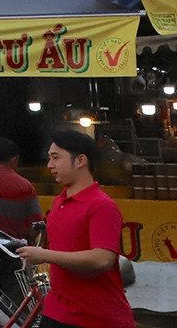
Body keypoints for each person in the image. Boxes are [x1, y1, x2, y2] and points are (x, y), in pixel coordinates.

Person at [15, 130, 134, 328]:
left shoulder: (101, 205)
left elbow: (103, 259)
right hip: (56, 310)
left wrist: (46, 255)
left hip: (96, 317)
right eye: (49, 158)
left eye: (56, 158)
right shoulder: (59, 201)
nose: (49, 165)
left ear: (80, 161)